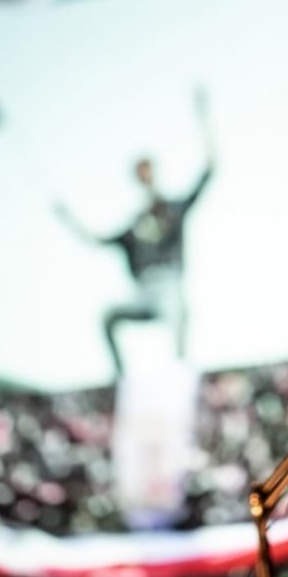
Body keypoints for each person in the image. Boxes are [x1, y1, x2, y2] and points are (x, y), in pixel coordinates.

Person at [55, 87, 216, 380]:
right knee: (108, 316)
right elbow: (96, 240)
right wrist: (68, 219)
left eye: (149, 172)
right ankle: (121, 378)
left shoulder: (173, 210)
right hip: (141, 291)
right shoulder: (133, 227)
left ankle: (178, 374)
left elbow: (208, 169)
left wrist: (203, 118)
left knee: (179, 313)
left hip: (168, 284)